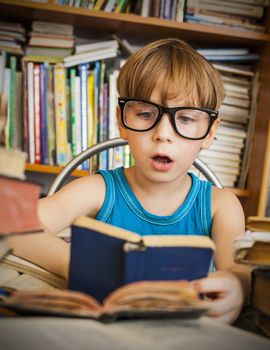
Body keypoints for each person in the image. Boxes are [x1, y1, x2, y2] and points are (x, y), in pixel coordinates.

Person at [9, 38, 250, 325]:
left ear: (210, 132)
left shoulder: (220, 205)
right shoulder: (98, 189)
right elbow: (12, 222)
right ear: (122, 120)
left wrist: (238, 285)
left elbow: (239, 270)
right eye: (146, 114)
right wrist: (77, 265)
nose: (163, 134)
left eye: (185, 119)